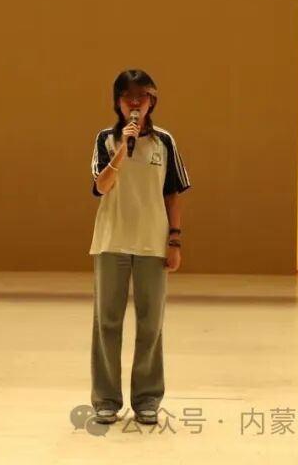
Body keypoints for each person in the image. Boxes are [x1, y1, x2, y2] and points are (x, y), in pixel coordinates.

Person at [88, 69, 191, 426]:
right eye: (127, 96)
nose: (135, 103)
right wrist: (122, 149)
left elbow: (173, 193)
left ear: (152, 100)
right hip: (111, 241)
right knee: (107, 321)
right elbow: (101, 186)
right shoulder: (106, 139)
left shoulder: (165, 141)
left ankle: (147, 398)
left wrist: (174, 240)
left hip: (152, 242)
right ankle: (106, 399)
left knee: (151, 323)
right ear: (117, 102)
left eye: (141, 96)